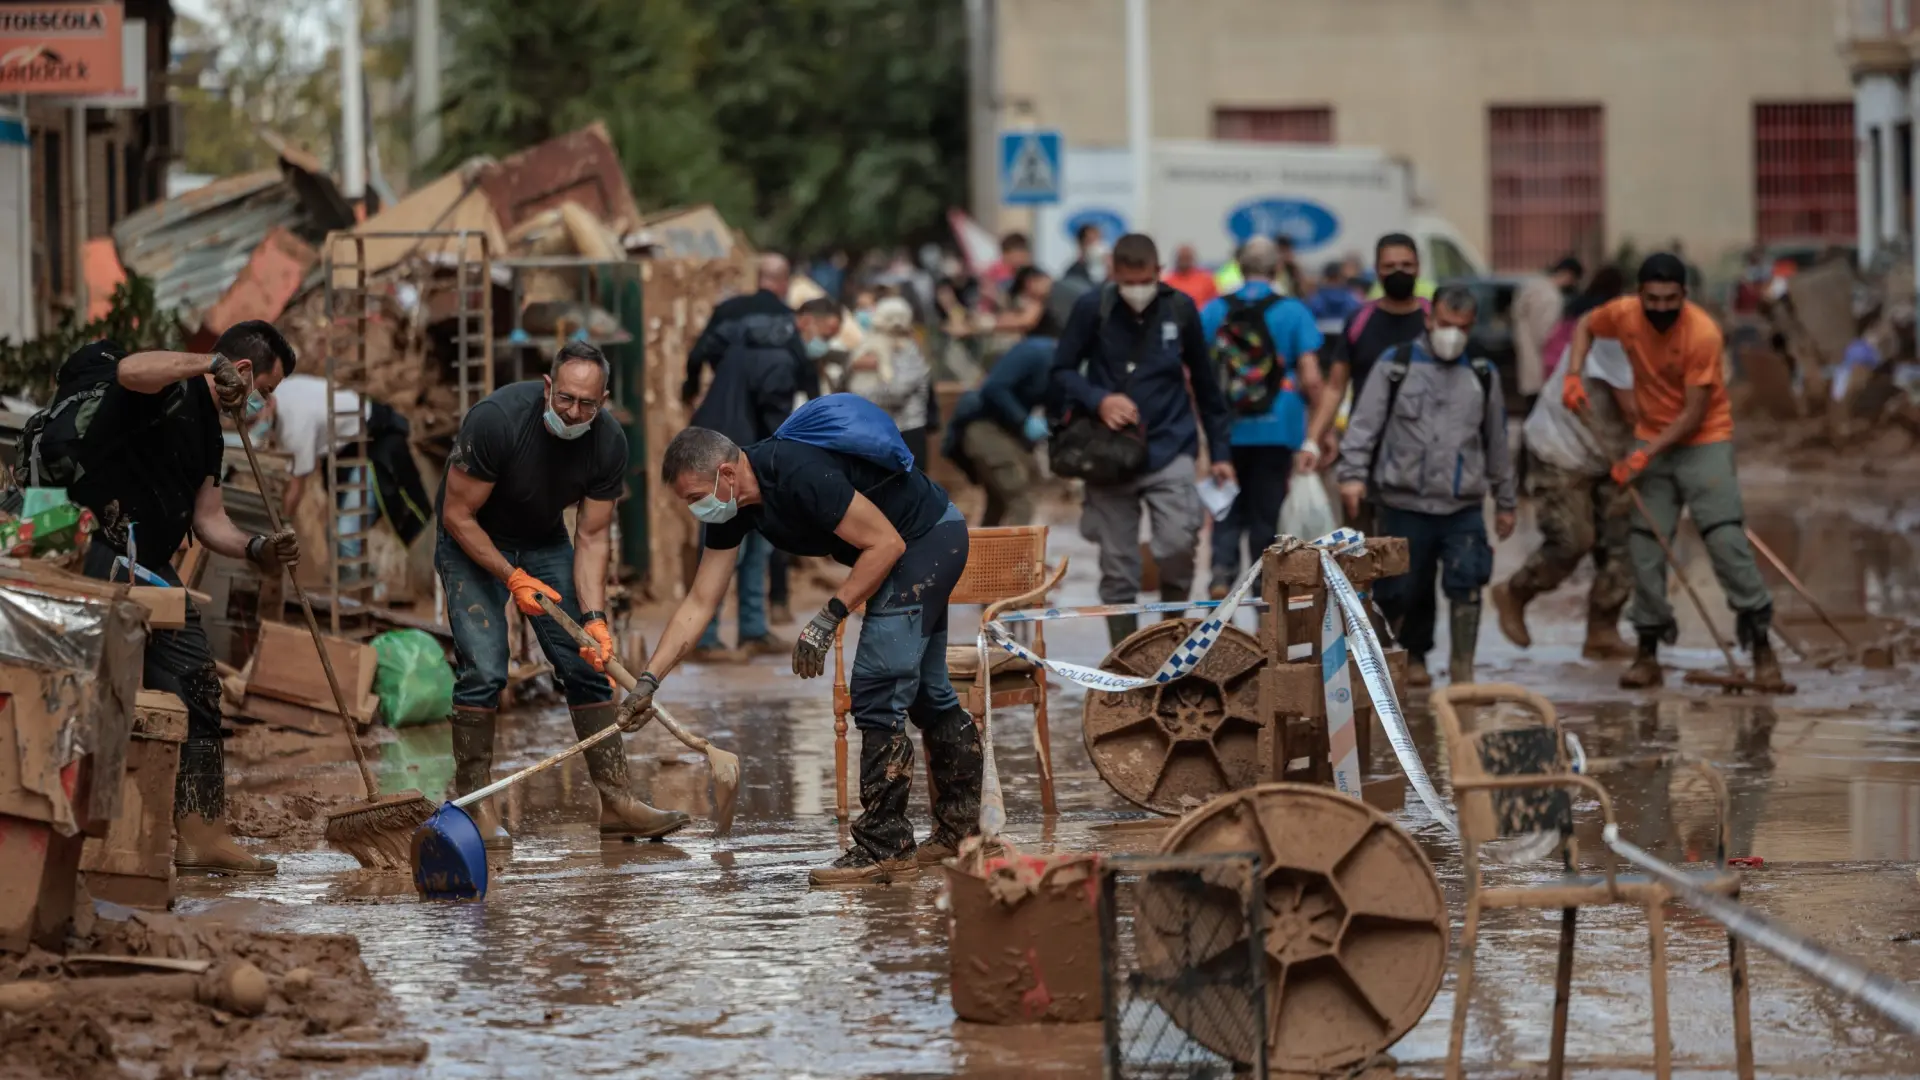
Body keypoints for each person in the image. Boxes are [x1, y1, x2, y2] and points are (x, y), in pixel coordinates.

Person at [641, 411, 980, 885]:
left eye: (696, 498)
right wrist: (648, 680)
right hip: (903, 548)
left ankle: (886, 846)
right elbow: (700, 602)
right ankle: (960, 833)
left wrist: (826, 618)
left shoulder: (797, 471)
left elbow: (885, 544)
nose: (696, 510)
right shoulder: (733, 507)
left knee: (878, 684)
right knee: (927, 692)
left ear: (726, 473)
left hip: (926, 539)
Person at [58, 320, 301, 874]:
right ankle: (84, 831)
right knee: (103, 693)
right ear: (240, 372)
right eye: (264, 390)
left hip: (154, 565)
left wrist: (258, 545)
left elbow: (209, 520)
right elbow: (129, 370)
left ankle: (200, 833)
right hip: (104, 551)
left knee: (196, 683)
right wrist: (202, 364)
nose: (263, 405)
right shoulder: (168, 384)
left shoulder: (213, 436)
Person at [437, 342, 691, 850]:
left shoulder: (609, 443)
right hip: (473, 539)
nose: (575, 412)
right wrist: (511, 577)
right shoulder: (497, 421)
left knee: (589, 662)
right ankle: (473, 804)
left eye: (588, 404)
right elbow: (456, 515)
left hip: (543, 538)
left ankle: (617, 802)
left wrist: (595, 618)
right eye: (567, 399)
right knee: (486, 667)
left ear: (604, 401)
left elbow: (593, 536)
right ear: (549, 386)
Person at [1563, 253, 1777, 690]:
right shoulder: (1622, 315)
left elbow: (1694, 413)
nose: (1661, 307)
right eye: (1652, 299)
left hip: (1703, 440)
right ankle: (1647, 652)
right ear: (1639, 295)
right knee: (1645, 546)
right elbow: (1585, 325)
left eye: (1671, 299)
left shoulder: (1703, 334)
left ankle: (1761, 648)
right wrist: (1573, 373)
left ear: (1684, 296)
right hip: (1651, 436)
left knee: (1725, 540)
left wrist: (1643, 455)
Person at [1051, 233, 1237, 646]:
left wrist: (1220, 453)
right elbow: (1062, 369)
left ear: (1158, 273)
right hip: (1108, 454)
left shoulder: (1181, 310)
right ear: (1114, 275)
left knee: (1177, 544)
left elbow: (1207, 387)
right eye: (1128, 281)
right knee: (1118, 567)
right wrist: (1099, 400)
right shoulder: (1091, 308)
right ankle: (1125, 659)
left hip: (1171, 445)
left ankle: (1172, 645)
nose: (1137, 290)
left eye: (1145, 280)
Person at [1336, 286, 1516, 687]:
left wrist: (1506, 502)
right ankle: (1412, 659)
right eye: (1446, 325)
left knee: (1467, 581)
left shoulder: (1483, 374)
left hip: (1462, 504)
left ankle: (1462, 673)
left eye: (1463, 328)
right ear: (1430, 319)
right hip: (1403, 501)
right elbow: (1364, 426)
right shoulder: (1395, 365)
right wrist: (1351, 477)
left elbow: (1497, 442)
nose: (1453, 334)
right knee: (1402, 589)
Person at [683, 260, 810, 660]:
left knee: (752, 542)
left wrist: (689, 388)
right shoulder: (782, 352)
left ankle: (751, 629)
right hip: (735, 452)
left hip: (717, 440)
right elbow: (779, 411)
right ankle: (706, 638)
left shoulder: (732, 332)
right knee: (728, 542)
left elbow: (696, 354)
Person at [1491, 336, 1636, 660]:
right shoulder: (1615, 336)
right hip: (1561, 447)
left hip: (1613, 451)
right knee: (1573, 540)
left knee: (1622, 543)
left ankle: (1602, 630)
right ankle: (1517, 590)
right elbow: (1635, 409)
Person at [1200, 237, 1324, 598]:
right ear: (1278, 269)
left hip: (1227, 430)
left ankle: (1221, 582)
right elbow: (1312, 378)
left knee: (1226, 512)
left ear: (1238, 266)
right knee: (1266, 518)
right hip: (1279, 427)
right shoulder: (1294, 311)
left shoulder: (1212, 311)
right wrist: (1319, 430)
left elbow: (1197, 376)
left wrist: (1205, 429)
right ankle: (1265, 605)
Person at [1307, 234, 1433, 528]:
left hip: (1420, 460)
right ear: (1376, 270)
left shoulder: (1433, 319)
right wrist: (1312, 441)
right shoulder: (1360, 319)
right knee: (1358, 551)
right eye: (1389, 266)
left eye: (1406, 264)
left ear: (1418, 267)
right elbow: (1336, 386)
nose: (1398, 272)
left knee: (1411, 557)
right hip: (1363, 455)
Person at [945, 267, 1058, 526]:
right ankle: (1016, 563)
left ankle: (983, 560)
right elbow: (993, 388)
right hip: (984, 425)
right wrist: (1023, 421)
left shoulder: (1055, 361)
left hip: (1005, 426)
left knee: (1001, 498)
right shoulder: (1036, 351)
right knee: (1020, 497)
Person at [845, 297, 932, 465]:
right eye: (891, 318)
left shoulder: (909, 350)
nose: (896, 324)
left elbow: (898, 391)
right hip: (878, 429)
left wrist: (863, 398)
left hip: (905, 428)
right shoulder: (869, 343)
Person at [1512, 256, 1583, 399]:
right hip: (1542, 368)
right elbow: (1547, 336)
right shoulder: (1551, 298)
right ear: (1569, 276)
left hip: (1527, 361)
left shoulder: (1531, 286)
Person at [1307, 259, 1364, 334]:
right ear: (1341, 277)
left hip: (1322, 342)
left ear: (1325, 277)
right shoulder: (1353, 300)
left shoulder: (1313, 301)